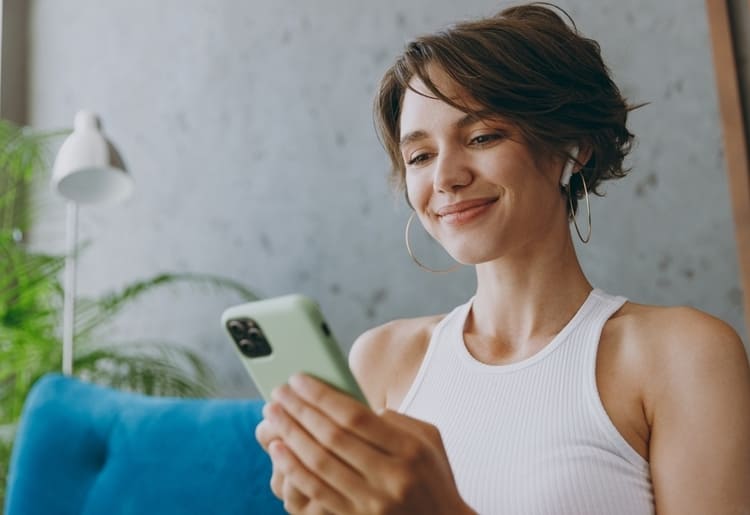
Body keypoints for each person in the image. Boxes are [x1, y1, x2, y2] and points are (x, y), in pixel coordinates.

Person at [256, 3, 750, 514]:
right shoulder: (380, 359)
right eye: (420, 156)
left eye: (482, 137)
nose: (445, 176)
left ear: (573, 147)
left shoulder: (683, 356)